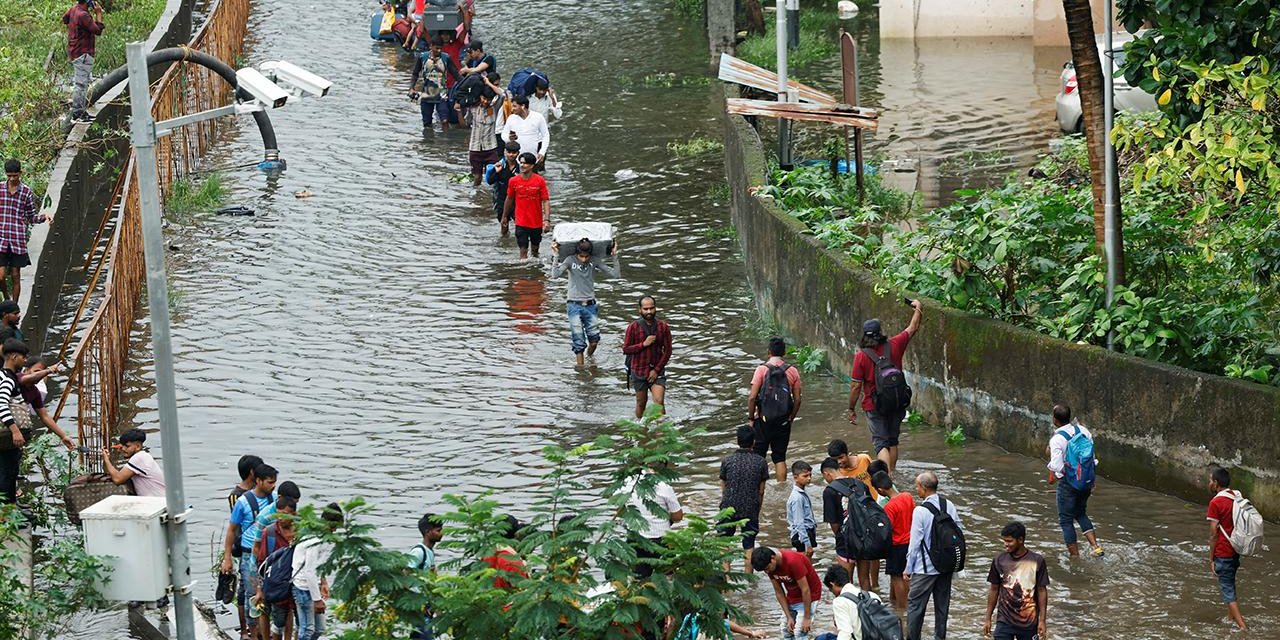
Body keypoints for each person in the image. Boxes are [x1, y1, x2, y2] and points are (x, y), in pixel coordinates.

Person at [848, 300, 922, 473]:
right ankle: (893, 474)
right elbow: (913, 328)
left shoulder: (861, 356)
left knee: (881, 443)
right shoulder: (895, 344)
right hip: (897, 401)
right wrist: (918, 308)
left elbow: (855, 387)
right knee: (892, 441)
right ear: (880, 332)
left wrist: (851, 408)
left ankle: (886, 479)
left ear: (864, 335)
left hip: (874, 405)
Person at [221, 463, 279, 638]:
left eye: (275, 482)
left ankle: (264, 631)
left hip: (270, 554)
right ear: (259, 481)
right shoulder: (243, 502)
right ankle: (253, 634)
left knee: (269, 595)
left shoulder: (275, 499)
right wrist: (227, 557)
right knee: (252, 595)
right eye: (270, 482)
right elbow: (231, 530)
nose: (273, 486)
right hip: (249, 555)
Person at [905, 471, 962, 640]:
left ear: (924, 488)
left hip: (925, 569)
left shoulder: (920, 511)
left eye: (917, 486)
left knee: (916, 607)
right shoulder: (949, 505)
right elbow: (958, 532)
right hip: (945, 566)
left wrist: (908, 568)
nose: (916, 489)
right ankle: (940, 637)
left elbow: (915, 544)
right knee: (942, 606)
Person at [550, 238, 621, 366]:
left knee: (594, 341)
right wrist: (555, 255)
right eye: (581, 256)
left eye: (586, 256)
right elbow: (555, 275)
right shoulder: (570, 260)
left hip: (590, 305)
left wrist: (614, 255)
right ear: (577, 253)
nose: (583, 259)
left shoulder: (594, 261)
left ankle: (590, 358)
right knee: (578, 342)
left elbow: (615, 275)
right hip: (573, 305)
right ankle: (581, 371)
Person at [1045, 404, 1103, 558]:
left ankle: (1074, 558)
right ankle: (1095, 547)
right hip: (1086, 481)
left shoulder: (1057, 439)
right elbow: (1091, 458)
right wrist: (1091, 481)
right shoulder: (1083, 431)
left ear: (1055, 420)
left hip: (1068, 484)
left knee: (1065, 520)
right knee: (1080, 513)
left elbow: (1057, 467)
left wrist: (1054, 478)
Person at [825, 441, 880, 592]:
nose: (840, 462)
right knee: (864, 576)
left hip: (868, 514)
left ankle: (874, 586)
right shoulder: (844, 477)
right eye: (836, 460)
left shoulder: (864, 459)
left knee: (852, 577)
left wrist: (839, 536)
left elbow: (876, 478)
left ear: (848, 453)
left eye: (841, 457)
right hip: (862, 524)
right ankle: (872, 595)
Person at [747, 336, 803, 482]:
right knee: (779, 457)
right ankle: (781, 488)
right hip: (783, 421)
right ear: (784, 352)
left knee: (758, 456)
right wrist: (791, 417)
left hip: (763, 420)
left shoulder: (761, 370)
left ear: (769, 352)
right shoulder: (793, 371)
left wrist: (751, 418)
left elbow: (752, 397)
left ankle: (757, 487)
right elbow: (797, 399)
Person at [982, 522, 1048, 640]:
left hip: (1029, 622)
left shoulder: (1037, 561)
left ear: (1020, 540)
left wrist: (1042, 621)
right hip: (1004, 621)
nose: (1005, 544)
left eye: (1009, 541)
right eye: (1004, 540)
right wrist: (988, 618)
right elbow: (994, 589)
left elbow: (1042, 591)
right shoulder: (999, 560)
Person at [718, 424, 770, 571]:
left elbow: (723, 484)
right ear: (754, 441)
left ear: (737, 440)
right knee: (749, 545)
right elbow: (761, 491)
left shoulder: (727, 460)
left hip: (728, 505)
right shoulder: (760, 462)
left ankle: (726, 578)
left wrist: (726, 501)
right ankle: (748, 581)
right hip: (750, 506)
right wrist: (757, 509)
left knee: (724, 543)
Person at [1, 160, 51, 301]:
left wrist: (44, 217)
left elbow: (31, 217)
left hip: (17, 240)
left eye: (15, 176)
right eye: (9, 176)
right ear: (6, 174)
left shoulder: (26, 192)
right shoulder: (0, 189)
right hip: (1, 239)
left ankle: (15, 308)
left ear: (20, 174)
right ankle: (6, 299)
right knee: (1, 276)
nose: (12, 179)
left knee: (16, 275)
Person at [1206, 466, 1248, 631]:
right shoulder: (1236, 495)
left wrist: (1211, 558)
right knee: (1230, 582)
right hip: (1236, 549)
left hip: (1223, 551)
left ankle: (1243, 627)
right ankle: (1230, 619)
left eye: (1210, 480)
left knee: (1227, 590)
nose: (1209, 483)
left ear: (1216, 483)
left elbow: (1213, 534)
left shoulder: (1216, 502)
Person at [293, 502, 342, 640]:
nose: (334, 531)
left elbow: (318, 565)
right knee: (307, 629)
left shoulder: (323, 537)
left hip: (312, 586)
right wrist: (317, 600)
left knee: (319, 629)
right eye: (333, 527)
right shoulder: (314, 539)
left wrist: (323, 582)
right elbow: (309, 571)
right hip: (303, 587)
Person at [624, 466, 683, 579]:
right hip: (661, 540)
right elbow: (677, 516)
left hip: (635, 538)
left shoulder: (626, 483)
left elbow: (620, 508)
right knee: (668, 578)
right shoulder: (663, 486)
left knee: (640, 580)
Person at [752, 546, 821, 640]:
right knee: (786, 630)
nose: (767, 571)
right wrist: (789, 617)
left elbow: (805, 589)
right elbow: (779, 592)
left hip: (810, 595)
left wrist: (807, 617)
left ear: (773, 558)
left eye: (767, 568)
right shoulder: (769, 567)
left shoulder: (792, 561)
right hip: (792, 596)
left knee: (800, 633)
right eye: (764, 570)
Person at [254, 496, 298, 640]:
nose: (280, 518)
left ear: (294, 515)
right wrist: (259, 589)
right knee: (277, 621)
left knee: (301, 622)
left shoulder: (301, 533)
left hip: (296, 583)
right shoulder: (270, 533)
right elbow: (261, 562)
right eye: (278, 514)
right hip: (276, 586)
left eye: (284, 515)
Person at [622, 295, 672, 418]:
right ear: (640, 310)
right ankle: (640, 430)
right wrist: (643, 344)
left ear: (655, 308)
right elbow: (626, 349)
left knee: (659, 402)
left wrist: (656, 370)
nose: (649, 311)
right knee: (641, 403)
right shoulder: (633, 327)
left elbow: (668, 351)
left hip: (657, 370)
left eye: (651, 308)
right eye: (645, 309)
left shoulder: (663, 327)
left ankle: (662, 432)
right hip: (638, 370)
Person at [872, 471, 912, 608]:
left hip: (896, 545)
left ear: (880, 490)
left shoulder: (889, 507)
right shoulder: (907, 496)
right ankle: (905, 604)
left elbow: (887, 530)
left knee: (896, 577)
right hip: (910, 542)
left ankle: (902, 608)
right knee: (906, 575)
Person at [0, 340, 33, 505]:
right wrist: (15, 430)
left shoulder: (5, 376)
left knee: (9, 472)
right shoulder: (7, 379)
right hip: (6, 436)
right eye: (23, 357)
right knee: (7, 472)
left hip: (6, 438)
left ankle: (11, 508)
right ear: (13, 357)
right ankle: (7, 512)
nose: (25, 360)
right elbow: (1, 404)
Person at [500, 152, 550, 259]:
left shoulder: (540, 181)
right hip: (521, 222)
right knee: (523, 252)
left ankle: (535, 272)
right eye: (521, 163)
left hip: (536, 222)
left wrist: (546, 220)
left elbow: (545, 201)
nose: (522, 165)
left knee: (535, 251)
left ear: (532, 165)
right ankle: (523, 273)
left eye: (525, 163)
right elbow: (509, 199)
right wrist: (504, 216)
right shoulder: (513, 181)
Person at [19, 357, 75, 451]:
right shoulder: (15, 380)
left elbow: (44, 416)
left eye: (41, 373)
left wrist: (63, 436)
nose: (39, 375)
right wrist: (48, 371)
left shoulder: (35, 391)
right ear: (26, 370)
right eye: (36, 371)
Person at [62, 0, 104, 122]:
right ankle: (78, 114)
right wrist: (99, 13)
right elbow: (98, 30)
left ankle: (79, 110)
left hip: (75, 51)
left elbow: (65, 19)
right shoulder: (83, 15)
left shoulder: (74, 9)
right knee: (81, 84)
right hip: (83, 53)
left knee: (83, 82)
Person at [815, 564, 881, 640]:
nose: (832, 593)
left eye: (831, 590)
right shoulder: (872, 595)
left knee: (821, 638)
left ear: (832, 584)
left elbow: (845, 633)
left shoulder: (839, 601)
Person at [409, 36, 460, 130]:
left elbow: (456, 74)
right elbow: (415, 74)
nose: (439, 50)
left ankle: (445, 142)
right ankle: (429, 142)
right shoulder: (422, 57)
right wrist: (411, 88)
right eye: (437, 48)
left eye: (441, 48)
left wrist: (464, 86)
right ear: (431, 46)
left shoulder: (446, 58)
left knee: (445, 120)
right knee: (427, 124)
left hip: (442, 94)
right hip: (427, 94)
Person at [100, 428, 166, 496]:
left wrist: (106, 459)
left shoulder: (139, 458)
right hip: (159, 500)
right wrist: (125, 450)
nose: (123, 448)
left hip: (157, 503)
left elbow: (117, 479)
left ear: (138, 446)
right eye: (122, 446)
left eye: (127, 446)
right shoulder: (144, 456)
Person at [409, 513, 444, 640]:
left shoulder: (430, 553)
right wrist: (416, 605)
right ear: (428, 532)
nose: (442, 533)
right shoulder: (419, 552)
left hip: (427, 611)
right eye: (438, 530)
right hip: (419, 611)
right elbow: (404, 575)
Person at [500, 96, 550, 170]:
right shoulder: (511, 118)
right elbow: (503, 135)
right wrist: (509, 138)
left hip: (532, 157)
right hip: (515, 159)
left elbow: (546, 136)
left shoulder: (538, 117)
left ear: (523, 106)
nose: (512, 109)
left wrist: (542, 152)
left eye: (514, 106)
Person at [465, 90, 500, 186]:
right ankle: (476, 197)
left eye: (488, 100)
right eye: (484, 98)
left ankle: (494, 195)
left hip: (490, 148)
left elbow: (503, 95)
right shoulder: (473, 108)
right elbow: (466, 123)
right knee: (477, 177)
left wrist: (488, 82)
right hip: (475, 148)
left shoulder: (494, 108)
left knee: (495, 173)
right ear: (480, 97)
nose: (486, 101)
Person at [787, 461, 817, 559]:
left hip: (805, 533)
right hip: (802, 536)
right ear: (795, 477)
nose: (809, 478)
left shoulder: (801, 493)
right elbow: (798, 523)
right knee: (805, 565)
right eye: (805, 476)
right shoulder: (797, 498)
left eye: (810, 475)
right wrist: (807, 544)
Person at [485, 141, 521, 223]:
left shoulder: (520, 168)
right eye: (509, 152)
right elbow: (490, 181)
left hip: (517, 200)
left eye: (514, 153)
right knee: (503, 223)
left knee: (519, 224)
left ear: (518, 153)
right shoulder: (499, 166)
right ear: (505, 152)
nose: (511, 155)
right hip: (501, 199)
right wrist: (497, 172)